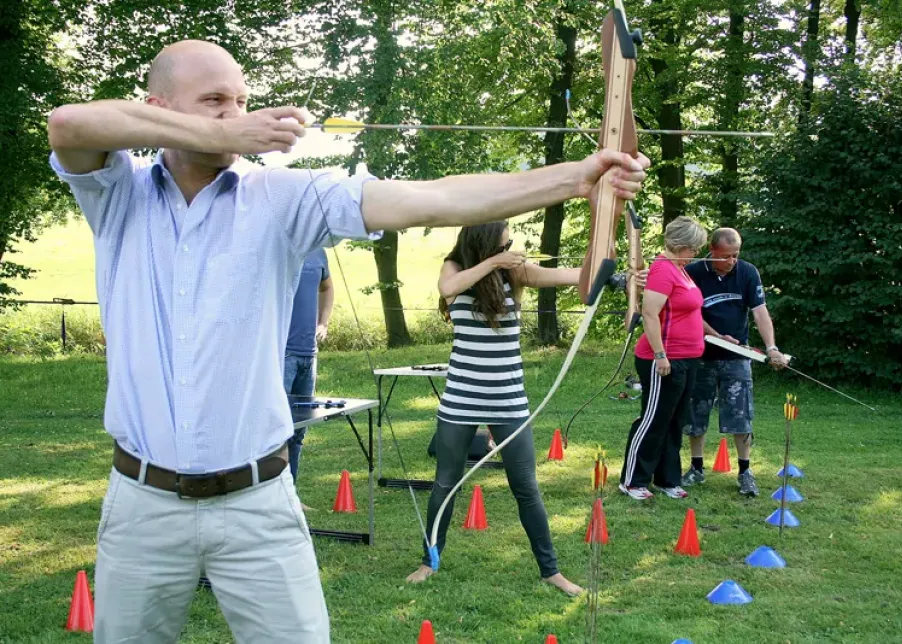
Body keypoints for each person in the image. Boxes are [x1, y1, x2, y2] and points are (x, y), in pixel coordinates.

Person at [46, 39, 648, 644]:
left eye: (242, 100)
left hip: (257, 503)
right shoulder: (116, 192)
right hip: (142, 503)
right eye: (214, 101)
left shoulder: (282, 197)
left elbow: (430, 199)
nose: (235, 114)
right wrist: (220, 131)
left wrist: (577, 177)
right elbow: (69, 123)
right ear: (159, 108)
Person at [404, 222, 583, 596]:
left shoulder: (513, 273)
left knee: (526, 486)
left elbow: (569, 276)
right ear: (484, 244)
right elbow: (447, 289)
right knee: (445, 484)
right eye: (504, 245)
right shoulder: (455, 268)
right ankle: (428, 561)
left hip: (507, 399)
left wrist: (608, 271)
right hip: (461, 398)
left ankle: (550, 571)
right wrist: (494, 262)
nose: (510, 250)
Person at [680, 227, 788, 496]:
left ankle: (745, 472)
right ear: (712, 251)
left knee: (741, 415)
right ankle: (696, 468)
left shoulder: (747, 272)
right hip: (700, 355)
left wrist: (772, 348)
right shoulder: (692, 272)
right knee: (696, 413)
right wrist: (716, 336)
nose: (731, 261)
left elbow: (760, 312)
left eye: (735, 255)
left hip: (737, 357)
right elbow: (689, 313)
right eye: (725, 256)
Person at [619, 216, 708, 501]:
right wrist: (660, 355)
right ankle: (633, 481)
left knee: (674, 421)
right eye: (694, 248)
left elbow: (691, 312)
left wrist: (718, 335)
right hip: (664, 359)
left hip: (688, 358)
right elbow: (649, 314)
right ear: (681, 245)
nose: (696, 253)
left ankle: (668, 479)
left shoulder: (681, 271)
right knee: (654, 420)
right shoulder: (662, 270)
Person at [284, 247, 334, 486]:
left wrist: (323, 323)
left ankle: (290, 493)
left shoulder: (319, 252)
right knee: (278, 431)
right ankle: (275, 493)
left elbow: (327, 287)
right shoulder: (278, 247)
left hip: (309, 354)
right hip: (281, 354)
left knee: (298, 431)